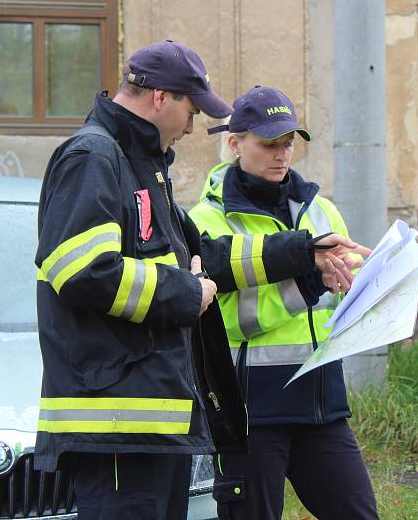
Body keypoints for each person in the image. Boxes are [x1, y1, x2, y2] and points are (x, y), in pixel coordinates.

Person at [34, 40, 363, 520]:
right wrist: (186, 291)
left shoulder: (141, 164)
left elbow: (205, 256)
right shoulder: (94, 157)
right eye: (191, 108)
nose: (193, 124)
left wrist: (303, 252)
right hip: (117, 426)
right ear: (161, 98)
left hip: (151, 422)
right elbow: (81, 270)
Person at [189, 85, 379, 520]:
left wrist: (371, 287)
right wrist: (308, 287)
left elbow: (343, 299)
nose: (282, 154)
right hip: (251, 411)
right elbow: (222, 322)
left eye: (288, 143)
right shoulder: (206, 221)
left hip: (323, 404)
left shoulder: (323, 211)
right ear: (235, 144)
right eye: (269, 144)